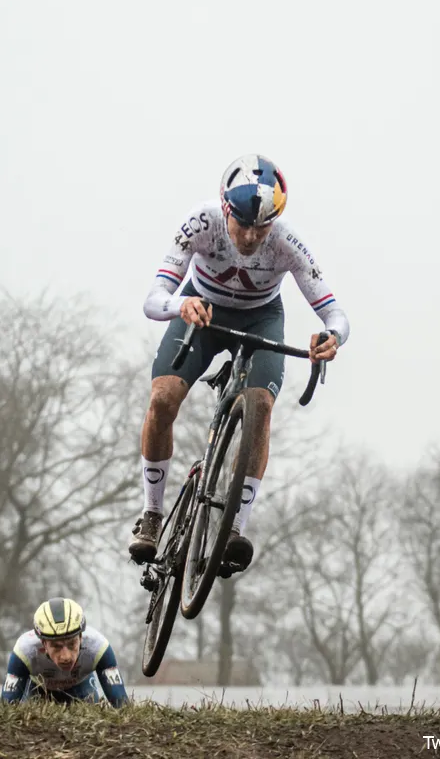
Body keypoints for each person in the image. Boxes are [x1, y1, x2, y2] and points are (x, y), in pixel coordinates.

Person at [129, 154, 350, 570]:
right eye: (243, 224)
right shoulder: (202, 223)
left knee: (261, 407)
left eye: (261, 227)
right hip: (202, 311)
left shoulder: (287, 242)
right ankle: (152, 513)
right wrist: (180, 305)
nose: (250, 237)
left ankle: (234, 528)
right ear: (225, 209)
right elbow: (153, 299)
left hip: (260, 318)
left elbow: (335, 314)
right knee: (162, 399)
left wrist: (331, 337)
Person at [1, 598, 129, 708]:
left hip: (80, 686)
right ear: (43, 643)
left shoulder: (97, 646)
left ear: (81, 637)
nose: (66, 657)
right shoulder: (25, 651)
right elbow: (6, 709)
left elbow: (122, 706)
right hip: (39, 689)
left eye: (72, 644)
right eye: (56, 646)